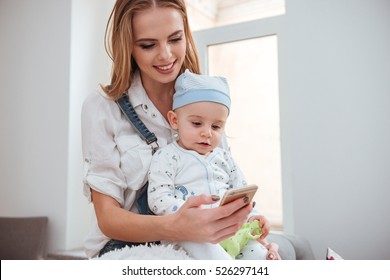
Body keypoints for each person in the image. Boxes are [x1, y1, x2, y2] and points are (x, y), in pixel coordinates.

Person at [81, 0, 271, 259]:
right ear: (127, 47)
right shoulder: (102, 108)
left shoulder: (205, 102)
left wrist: (248, 234)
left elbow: (225, 181)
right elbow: (108, 219)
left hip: (205, 240)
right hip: (127, 248)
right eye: (148, 45)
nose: (166, 55)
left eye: (175, 39)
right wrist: (179, 226)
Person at [147, 70, 281, 260]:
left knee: (261, 255)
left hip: (229, 229)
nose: (207, 133)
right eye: (196, 123)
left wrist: (255, 215)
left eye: (216, 126)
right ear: (175, 121)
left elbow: (243, 194)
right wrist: (189, 213)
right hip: (189, 231)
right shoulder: (166, 157)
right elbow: (157, 198)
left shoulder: (225, 159)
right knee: (209, 251)